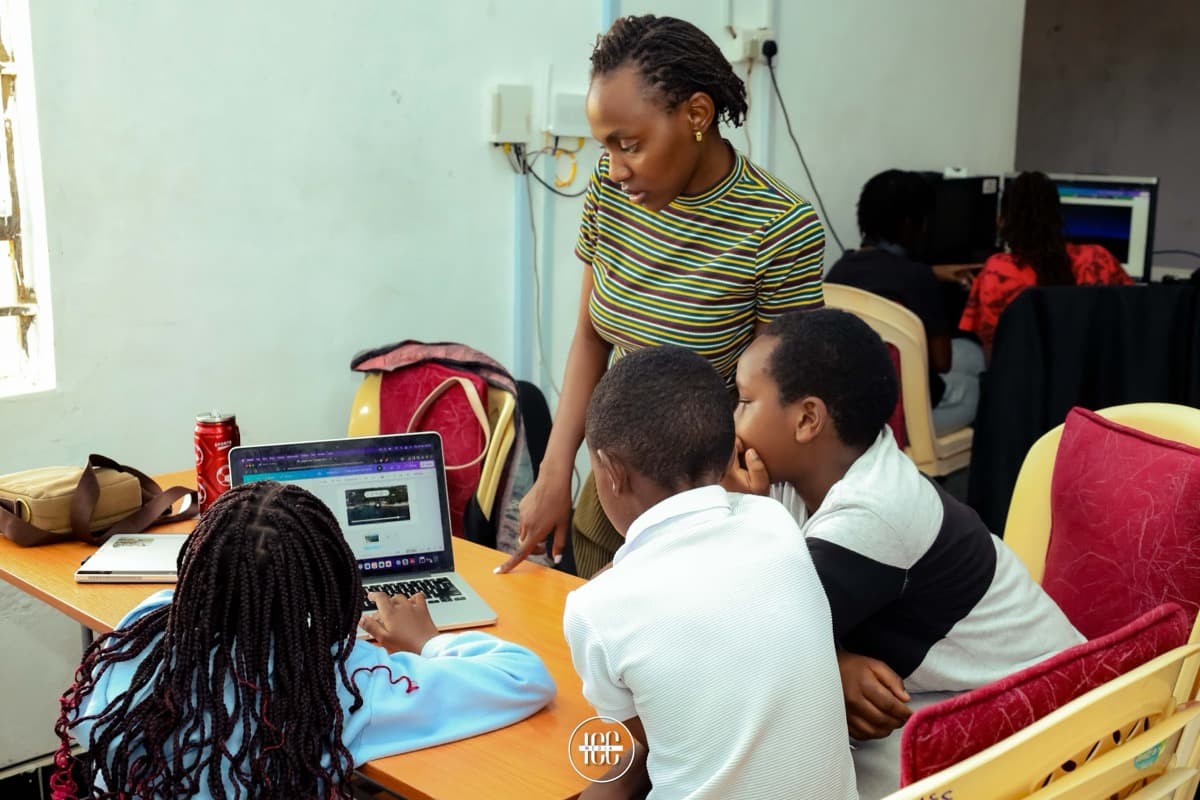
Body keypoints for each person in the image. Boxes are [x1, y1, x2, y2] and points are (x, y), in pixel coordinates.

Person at [497, 14, 826, 579]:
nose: (614, 169)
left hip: (706, 504)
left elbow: (778, 398)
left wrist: (729, 510)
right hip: (613, 487)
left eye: (630, 145)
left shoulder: (778, 227)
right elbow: (591, 337)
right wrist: (555, 471)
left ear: (696, 115)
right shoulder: (611, 192)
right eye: (606, 147)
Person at [727, 308, 1082, 799]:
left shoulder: (873, 513)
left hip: (1036, 716)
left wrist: (826, 663)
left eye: (744, 401)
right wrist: (835, 662)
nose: (732, 421)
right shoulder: (809, 472)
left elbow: (740, 644)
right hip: (939, 697)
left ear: (807, 419)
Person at [52, 481, 554, 800]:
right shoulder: (341, 685)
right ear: (332, 584)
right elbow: (524, 678)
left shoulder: (146, 633)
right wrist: (426, 641)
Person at [563, 345, 857, 799]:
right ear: (726, 457)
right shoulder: (776, 522)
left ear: (613, 473)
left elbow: (646, 740)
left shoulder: (594, 611)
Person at [827, 169, 985, 435]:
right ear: (911, 224)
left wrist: (932, 273)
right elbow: (941, 361)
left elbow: (885, 274)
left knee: (968, 356)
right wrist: (928, 278)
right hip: (904, 416)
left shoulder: (838, 271)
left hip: (849, 405)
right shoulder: (918, 278)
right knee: (975, 378)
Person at [960, 170, 1133, 357]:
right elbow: (1133, 318)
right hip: (1094, 373)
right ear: (1058, 217)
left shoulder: (996, 271)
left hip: (1023, 375)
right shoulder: (1099, 259)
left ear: (1003, 221)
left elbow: (994, 353)